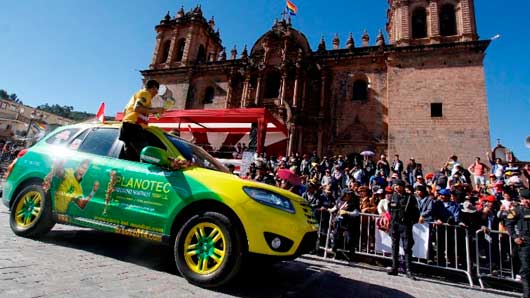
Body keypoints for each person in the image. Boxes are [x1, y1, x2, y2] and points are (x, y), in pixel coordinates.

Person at [119, 79, 165, 160]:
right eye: (157, 90)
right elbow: (137, 108)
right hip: (134, 127)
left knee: (131, 157)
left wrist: (154, 111)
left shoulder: (138, 95)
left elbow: (126, 111)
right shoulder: (145, 93)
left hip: (127, 126)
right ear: (153, 88)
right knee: (146, 155)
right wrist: (156, 110)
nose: (156, 93)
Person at [387, 179, 420, 279]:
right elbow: (390, 210)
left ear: (403, 187)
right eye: (395, 185)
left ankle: (408, 270)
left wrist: (410, 222)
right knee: (394, 246)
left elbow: (416, 213)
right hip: (394, 224)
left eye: (398, 185)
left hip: (405, 225)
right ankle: (394, 268)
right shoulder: (393, 196)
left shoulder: (410, 198)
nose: (396, 187)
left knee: (407, 248)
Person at [506, 189, 530, 298]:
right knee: (525, 269)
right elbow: (509, 225)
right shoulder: (517, 210)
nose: (527, 201)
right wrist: (515, 237)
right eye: (525, 199)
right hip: (525, 243)